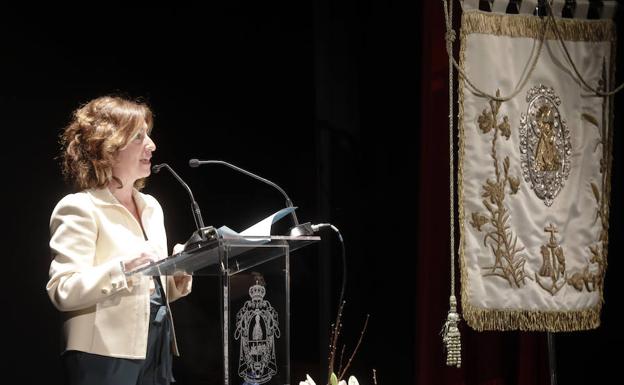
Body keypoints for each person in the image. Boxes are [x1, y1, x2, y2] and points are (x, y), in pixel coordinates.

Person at [46, 95, 192, 385]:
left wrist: (178, 272)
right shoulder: (79, 207)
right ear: (108, 148)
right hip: (102, 353)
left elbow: (149, 289)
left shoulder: (151, 207)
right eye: (139, 137)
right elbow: (62, 289)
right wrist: (122, 269)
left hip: (156, 344)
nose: (152, 145)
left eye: (148, 135)